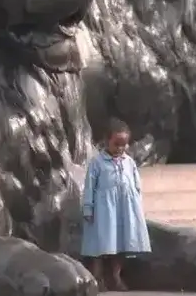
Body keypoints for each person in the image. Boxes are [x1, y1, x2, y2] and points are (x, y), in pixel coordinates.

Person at [81, 118, 150, 292]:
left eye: (124, 144)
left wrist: (137, 208)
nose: (120, 148)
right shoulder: (97, 163)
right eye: (116, 144)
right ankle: (96, 279)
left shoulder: (129, 162)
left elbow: (136, 185)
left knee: (121, 244)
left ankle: (115, 277)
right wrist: (88, 208)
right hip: (104, 211)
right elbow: (89, 187)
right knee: (101, 245)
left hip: (124, 209)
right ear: (106, 141)